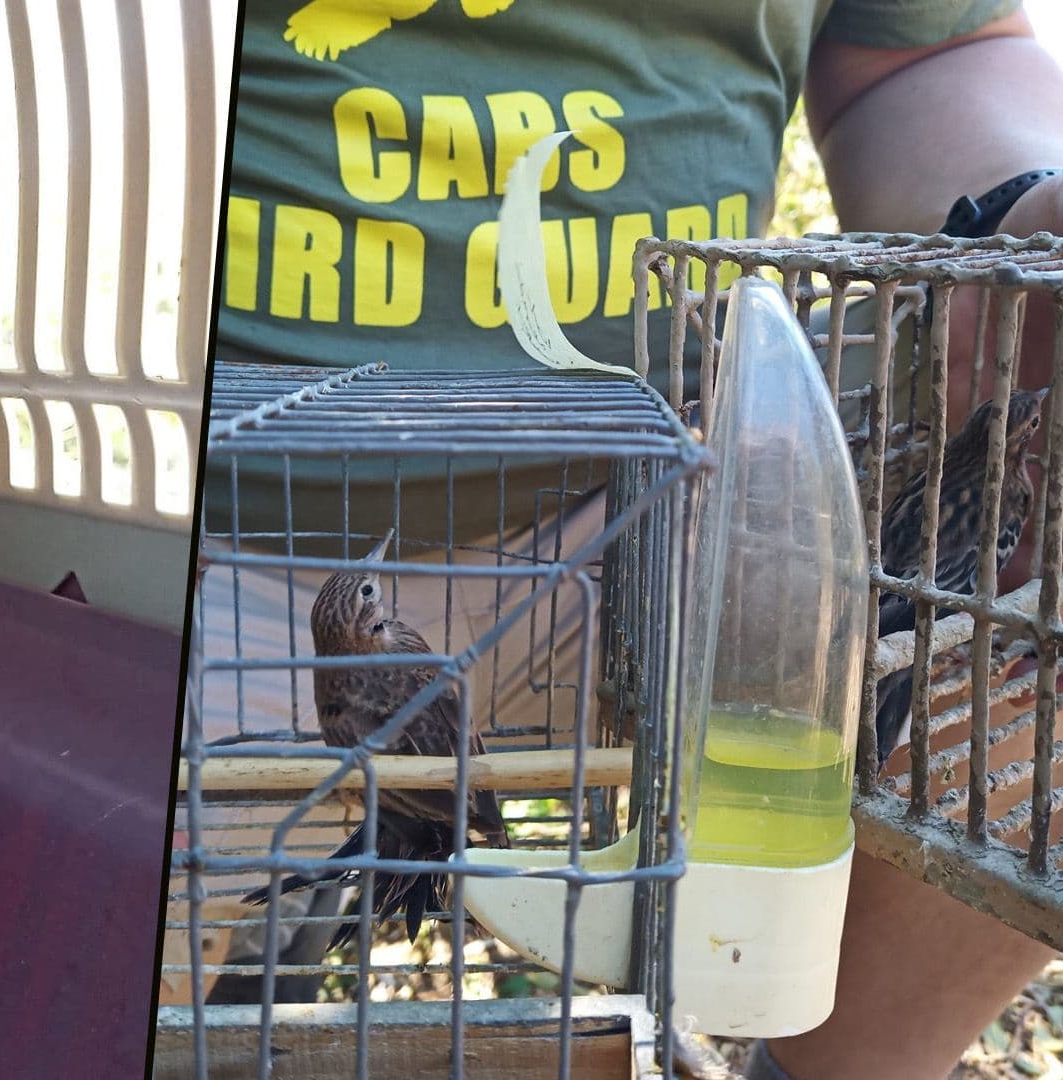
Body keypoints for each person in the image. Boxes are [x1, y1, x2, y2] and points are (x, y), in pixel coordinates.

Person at [212, 4, 1063, 1078]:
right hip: (242, 535)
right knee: (138, 923)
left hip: (683, 506)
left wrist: (1024, 215)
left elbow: (928, 47)